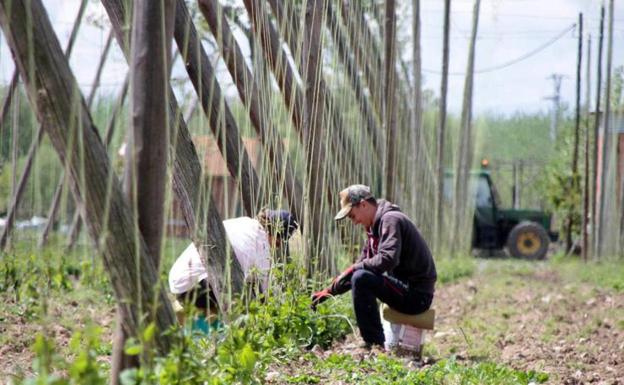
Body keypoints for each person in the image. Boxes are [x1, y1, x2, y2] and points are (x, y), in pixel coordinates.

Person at [311, 185, 436, 349]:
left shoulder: (390, 220)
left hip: (417, 296)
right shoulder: (374, 229)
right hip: (405, 290)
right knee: (360, 275)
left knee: (361, 278)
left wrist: (356, 269)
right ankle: (374, 342)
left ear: (363, 204)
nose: (354, 222)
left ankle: (374, 344)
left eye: (352, 215)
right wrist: (329, 291)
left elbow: (387, 259)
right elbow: (361, 264)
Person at [168, 209, 298, 333]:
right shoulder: (262, 249)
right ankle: (223, 334)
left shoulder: (244, 222)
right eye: (278, 243)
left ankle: (203, 324)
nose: (276, 247)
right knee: (246, 299)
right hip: (196, 288)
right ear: (276, 236)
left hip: (179, 279)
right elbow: (265, 296)